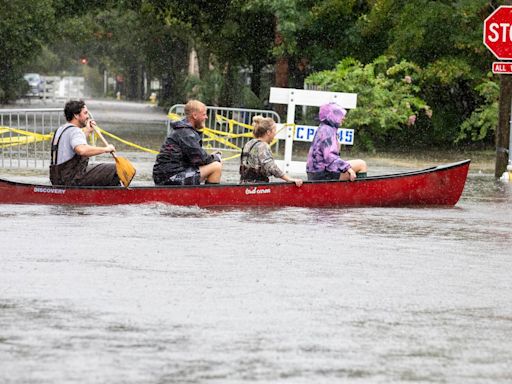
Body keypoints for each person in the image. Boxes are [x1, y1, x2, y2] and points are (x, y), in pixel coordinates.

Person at [49, 100, 119, 186]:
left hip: (57, 178)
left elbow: (74, 145)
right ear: (76, 115)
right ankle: (114, 196)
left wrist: (88, 131)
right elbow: (81, 150)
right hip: (71, 179)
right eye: (85, 113)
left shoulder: (61, 129)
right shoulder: (75, 131)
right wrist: (106, 149)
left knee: (96, 168)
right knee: (115, 169)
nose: (88, 116)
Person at [153, 100, 222, 185]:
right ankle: (209, 197)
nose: (206, 117)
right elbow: (201, 159)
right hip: (170, 177)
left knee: (214, 162)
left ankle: (202, 195)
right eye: (204, 114)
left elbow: (197, 158)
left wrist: (213, 157)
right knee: (216, 166)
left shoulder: (185, 130)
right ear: (195, 115)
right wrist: (216, 157)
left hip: (167, 175)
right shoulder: (186, 133)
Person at [306, 103, 367, 181]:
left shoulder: (324, 128)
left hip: (316, 173)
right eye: (340, 115)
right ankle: (361, 191)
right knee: (361, 164)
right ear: (332, 116)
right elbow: (330, 157)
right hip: (322, 174)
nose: (343, 118)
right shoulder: (327, 131)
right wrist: (348, 169)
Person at [240, 116, 303, 186]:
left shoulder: (249, 143)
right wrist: (289, 179)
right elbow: (271, 167)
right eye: (274, 131)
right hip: (257, 186)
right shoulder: (263, 146)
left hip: (243, 184)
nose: (275, 134)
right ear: (268, 132)